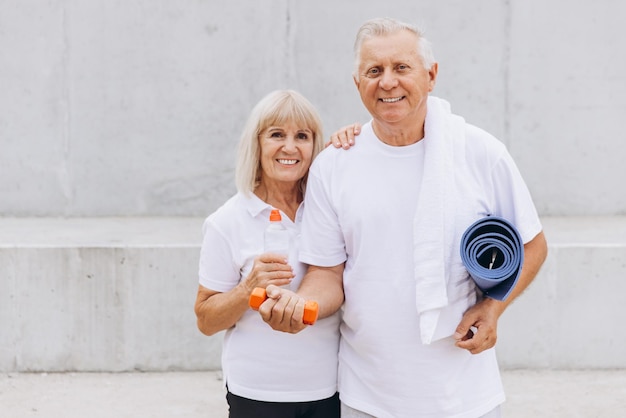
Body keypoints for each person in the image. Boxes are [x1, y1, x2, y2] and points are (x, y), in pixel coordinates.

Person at [256, 17, 548, 418]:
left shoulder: (480, 152)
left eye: (401, 68)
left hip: (463, 395)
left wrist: (493, 308)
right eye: (374, 71)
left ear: (431, 75)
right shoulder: (334, 165)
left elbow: (533, 244)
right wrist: (297, 306)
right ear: (357, 83)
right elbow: (326, 274)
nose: (387, 82)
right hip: (368, 394)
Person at [194, 89, 353, 418]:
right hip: (256, 393)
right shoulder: (227, 222)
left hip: (331, 389)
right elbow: (206, 320)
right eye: (277, 135)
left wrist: (355, 140)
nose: (290, 147)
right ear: (257, 143)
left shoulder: (329, 210)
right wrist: (246, 287)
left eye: (302, 136)